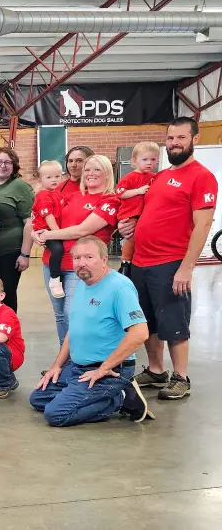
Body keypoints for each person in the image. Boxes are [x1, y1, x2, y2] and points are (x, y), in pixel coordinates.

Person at [123, 118, 217, 401]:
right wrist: (130, 226)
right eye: (171, 138)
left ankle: (181, 377)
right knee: (147, 321)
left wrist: (186, 268)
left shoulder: (201, 177)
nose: (175, 143)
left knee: (174, 322)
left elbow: (202, 225)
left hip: (171, 262)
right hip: (141, 261)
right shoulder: (160, 176)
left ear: (195, 139)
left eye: (181, 138)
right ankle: (155, 370)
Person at [29, 236, 154, 426]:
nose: (81, 263)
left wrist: (104, 369)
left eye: (89, 257)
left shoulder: (119, 288)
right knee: (38, 398)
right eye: (77, 258)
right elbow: (75, 330)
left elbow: (140, 333)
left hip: (109, 370)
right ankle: (87, 393)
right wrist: (57, 366)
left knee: (55, 414)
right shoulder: (83, 284)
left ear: (104, 260)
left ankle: (120, 397)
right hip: (78, 368)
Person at [33, 154, 120, 344]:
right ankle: (65, 364)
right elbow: (43, 215)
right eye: (88, 169)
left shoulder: (110, 201)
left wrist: (47, 235)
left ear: (107, 173)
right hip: (53, 263)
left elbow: (84, 230)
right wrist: (35, 232)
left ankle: (80, 359)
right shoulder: (70, 197)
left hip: (81, 266)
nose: (90, 173)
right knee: (60, 315)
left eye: (97, 169)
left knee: (72, 312)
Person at [0, 147, 35, 312]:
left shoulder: (20, 186)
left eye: (8, 162)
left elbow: (29, 222)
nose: (2, 165)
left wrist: (25, 254)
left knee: (5, 294)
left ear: (14, 166)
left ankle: (8, 332)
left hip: (10, 250)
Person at [115, 142, 160, 275]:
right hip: (130, 213)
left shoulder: (154, 177)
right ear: (134, 160)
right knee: (132, 237)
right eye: (145, 159)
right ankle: (125, 262)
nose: (149, 163)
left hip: (144, 213)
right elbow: (120, 193)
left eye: (153, 159)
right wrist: (138, 191)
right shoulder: (130, 177)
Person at [32, 161, 70, 298]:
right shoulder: (43, 195)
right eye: (49, 177)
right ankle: (54, 279)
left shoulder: (57, 193)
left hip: (54, 230)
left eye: (57, 176)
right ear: (40, 179)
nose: (54, 180)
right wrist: (58, 234)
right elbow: (48, 217)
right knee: (58, 249)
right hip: (46, 231)